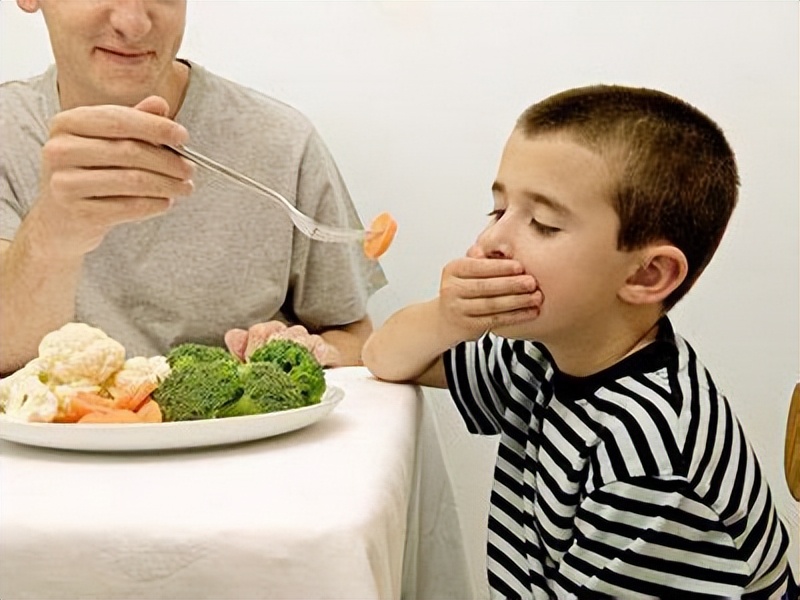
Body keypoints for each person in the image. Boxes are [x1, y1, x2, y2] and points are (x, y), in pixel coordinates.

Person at [362, 85, 796, 598]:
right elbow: (386, 359)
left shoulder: (649, 466)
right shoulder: (540, 354)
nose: (491, 243)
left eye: (543, 224)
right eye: (497, 211)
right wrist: (447, 318)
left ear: (648, 274)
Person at [0, 0, 386, 375]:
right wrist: (51, 232)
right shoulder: (8, 133)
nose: (133, 22)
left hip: (247, 439)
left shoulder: (281, 141)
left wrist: (311, 353)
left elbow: (354, 339)